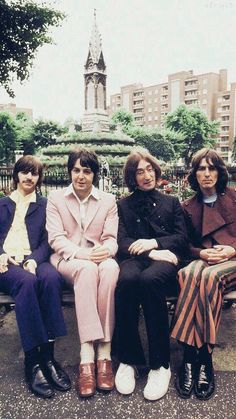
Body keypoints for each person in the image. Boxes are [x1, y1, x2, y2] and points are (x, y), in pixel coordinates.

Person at [113, 148, 187, 401]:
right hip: (137, 259)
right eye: (139, 172)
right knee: (127, 279)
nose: (146, 175)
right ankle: (128, 360)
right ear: (132, 178)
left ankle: (160, 364)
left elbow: (181, 238)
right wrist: (149, 253)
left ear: (156, 170)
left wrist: (154, 243)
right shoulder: (123, 205)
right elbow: (122, 241)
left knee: (150, 280)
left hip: (166, 260)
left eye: (149, 169)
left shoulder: (171, 202)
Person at [46, 149, 119, 398]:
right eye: (76, 170)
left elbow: (111, 239)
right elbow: (56, 239)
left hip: (100, 258)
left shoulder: (108, 200)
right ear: (70, 172)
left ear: (94, 175)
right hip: (69, 260)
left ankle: (105, 352)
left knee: (111, 269)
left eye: (86, 171)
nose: (80, 176)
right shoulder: (55, 199)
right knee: (87, 270)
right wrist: (84, 255)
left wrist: (105, 251)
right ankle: (87, 354)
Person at [0, 156, 71, 399]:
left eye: (35, 173)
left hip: (34, 258)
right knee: (27, 282)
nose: (29, 177)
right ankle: (32, 360)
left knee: (51, 278)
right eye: (25, 172)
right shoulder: (2, 204)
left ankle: (48, 356)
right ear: (17, 175)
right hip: (6, 264)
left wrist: (33, 259)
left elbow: (47, 241)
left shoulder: (44, 205)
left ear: (39, 178)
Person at [171, 148, 236, 401]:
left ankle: (202, 356)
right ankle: (192, 357)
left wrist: (231, 249)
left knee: (208, 278)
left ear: (220, 172)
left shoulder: (234, 197)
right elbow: (184, 245)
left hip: (232, 260)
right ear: (194, 174)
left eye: (211, 168)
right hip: (204, 259)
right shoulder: (187, 206)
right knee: (188, 275)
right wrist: (202, 254)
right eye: (201, 168)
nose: (206, 173)